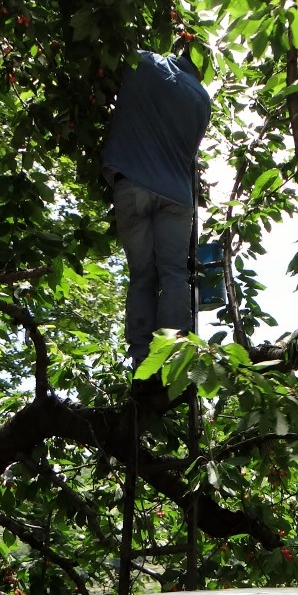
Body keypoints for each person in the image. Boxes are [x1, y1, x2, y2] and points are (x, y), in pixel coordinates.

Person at [103, 45, 211, 370]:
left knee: (141, 276)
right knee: (174, 274)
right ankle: (173, 355)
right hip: (176, 195)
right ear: (200, 69)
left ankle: (140, 358)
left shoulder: (144, 61)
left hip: (131, 183)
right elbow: (190, 156)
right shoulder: (202, 99)